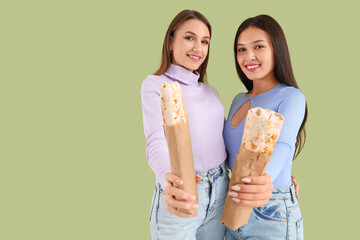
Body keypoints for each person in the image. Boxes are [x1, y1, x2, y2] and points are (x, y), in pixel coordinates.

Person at [141, 10, 274, 240]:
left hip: (221, 188)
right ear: (171, 41)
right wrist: (169, 181)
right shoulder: (156, 84)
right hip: (183, 192)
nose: (198, 48)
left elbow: (227, 144)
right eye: (189, 38)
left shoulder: (211, 92)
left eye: (205, 42)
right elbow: (155, 141)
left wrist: (278, 175)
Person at [223, 15, 307, 239]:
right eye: (241, 50)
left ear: (276, 49)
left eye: (258, 46)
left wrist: (265, 180)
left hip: (271, 209)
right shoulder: (238, 100)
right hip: (232, 205)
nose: (248, 56)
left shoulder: (291, 96)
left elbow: (283, 143)